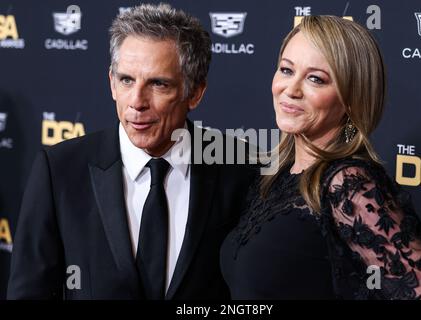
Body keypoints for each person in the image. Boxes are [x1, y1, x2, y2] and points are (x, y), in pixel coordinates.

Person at [7, 3, 255, 299]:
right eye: (126, 80)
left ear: (195, 92)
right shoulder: (59, 170)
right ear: (112, 83)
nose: (137, 101)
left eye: (158, 84)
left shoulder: (240, 167)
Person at [220, 15, 421, 300]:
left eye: (316, 79)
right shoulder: (276, 177)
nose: (290, 90)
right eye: (286, 70)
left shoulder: (347, 184)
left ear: (351, 100)